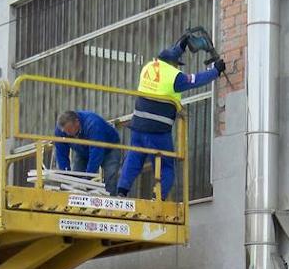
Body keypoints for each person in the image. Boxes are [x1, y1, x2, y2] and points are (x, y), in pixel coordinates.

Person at [116, 38, 224, 199]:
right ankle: (158, 197)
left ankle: (122, 191)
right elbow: (196, 80)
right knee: (166, 165)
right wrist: (216, 70)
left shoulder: (148, 67)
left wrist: (181, 46)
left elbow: (169, 54)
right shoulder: (175, 76)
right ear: (173, 64)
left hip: (138, 126)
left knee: (134, 157)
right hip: (158, 130)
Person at [53, 110, 122, 194]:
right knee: (76, 178)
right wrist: (66, 175)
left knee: (110, 177)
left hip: (110, 148)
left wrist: (88, 177)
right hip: (83, 151)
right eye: (65, 131)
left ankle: (109, 201)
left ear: (77, 122)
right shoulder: (61, 131)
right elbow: (61, 154)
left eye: (70, 129)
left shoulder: (93, 124)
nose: (68, 133)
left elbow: (96, 153)